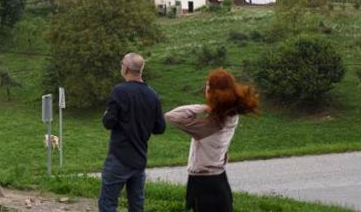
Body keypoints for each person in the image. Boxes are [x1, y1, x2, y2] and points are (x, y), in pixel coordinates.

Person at [165, 68, 260, 212]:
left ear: (213, 92)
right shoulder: (231, 115)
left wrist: (204, 107)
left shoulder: (210, 125)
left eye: (208, 86)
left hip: (204, 182)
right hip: (219, 179)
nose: (205, 89)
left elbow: (172, 116)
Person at [98, 53, 166, 212]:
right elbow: (160, 128)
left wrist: (106, 115)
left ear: (126, 68)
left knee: (108, 203)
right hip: (139, 158)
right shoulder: (152, 95)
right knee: (136, 205)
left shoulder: (119, 91)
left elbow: (109, 123)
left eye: (122, 63)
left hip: (119, 156)